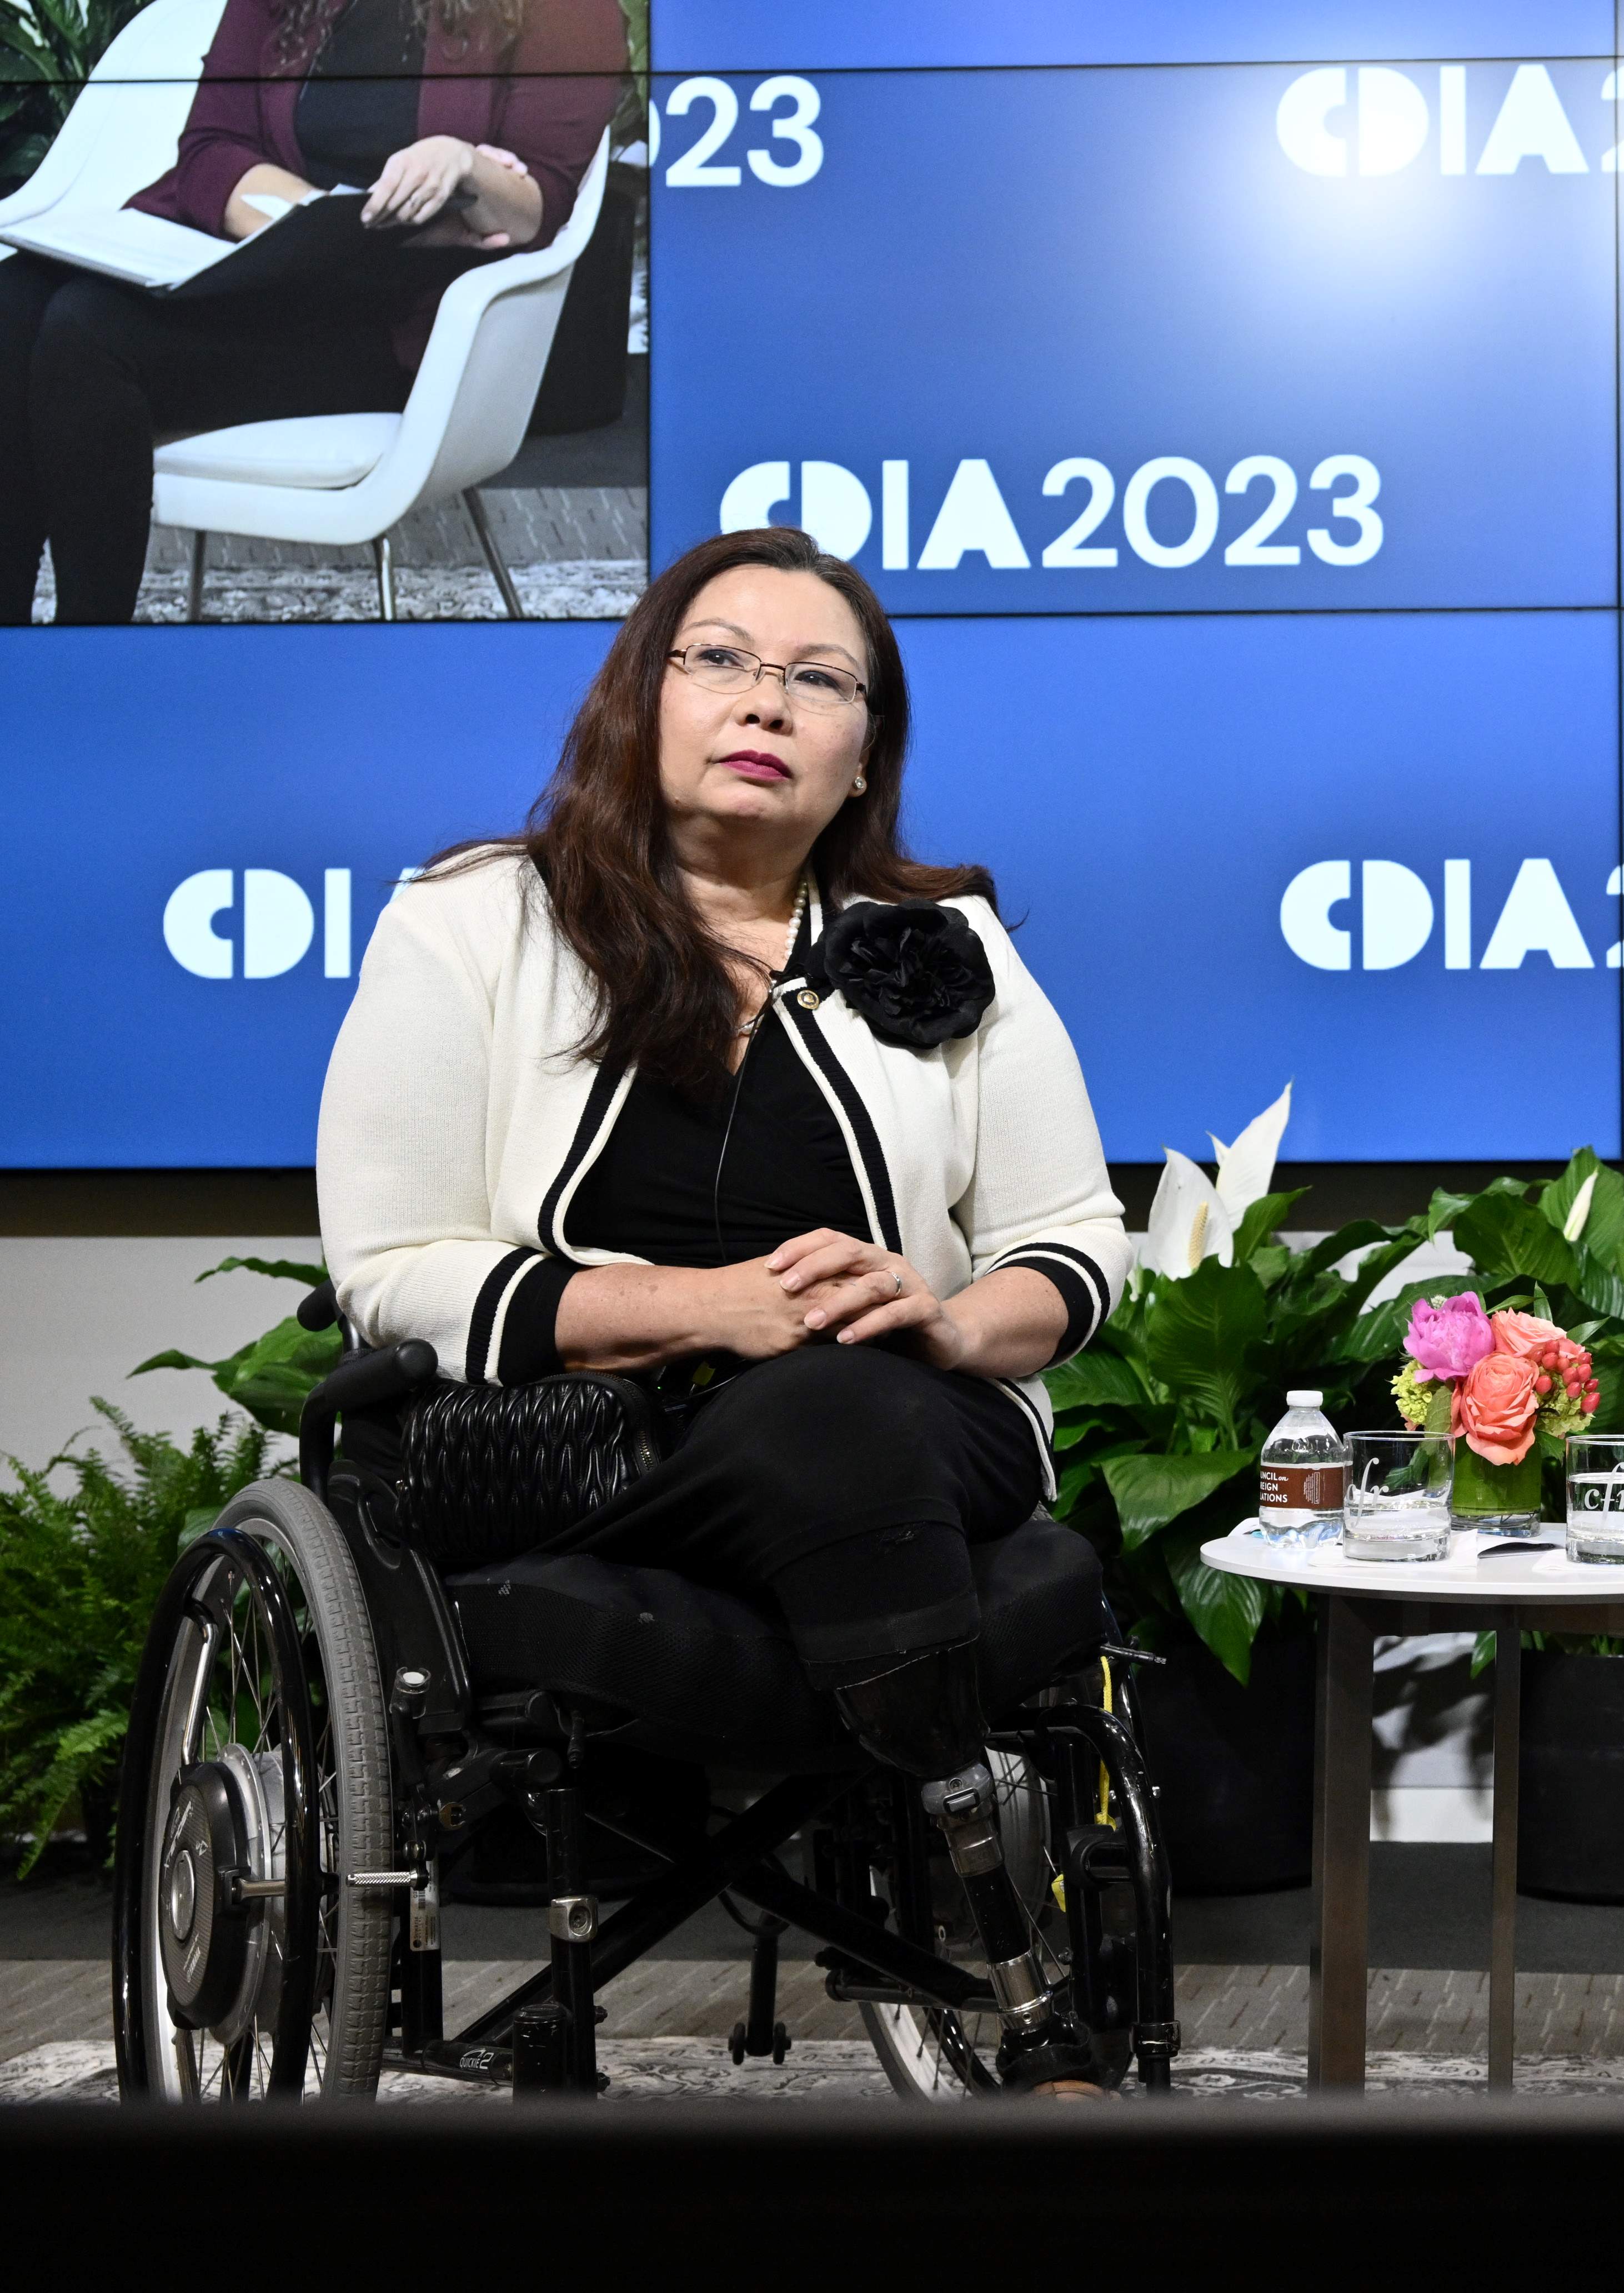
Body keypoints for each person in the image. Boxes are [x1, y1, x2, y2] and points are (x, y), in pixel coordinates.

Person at [318, 527, 1133, 2094]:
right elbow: (393, 1265)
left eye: (820, 679)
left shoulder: (945, 952)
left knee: (845, 1401)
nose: (768, 702)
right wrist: (713, 1308)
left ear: (861, 752)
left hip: (913, 1426)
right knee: (812, 1399)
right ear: (643, 696)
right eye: (724, 661)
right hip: (590, 1469)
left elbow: (1073, 1243)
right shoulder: (476, 921)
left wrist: (952, 1322)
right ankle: (1011, 1964)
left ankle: (952, 1865)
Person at [0, 0, 622, 624]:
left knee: (86, 333)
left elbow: (537, 213)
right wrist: (322, 223)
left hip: (394, 324)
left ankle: (85, 658)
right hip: (262, 275)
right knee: (16, 299)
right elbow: (212, 147)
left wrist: (464, 164)